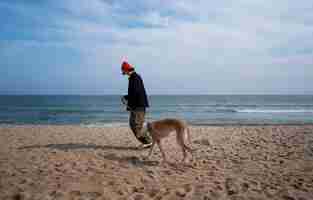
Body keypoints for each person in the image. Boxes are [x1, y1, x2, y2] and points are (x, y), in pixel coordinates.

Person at [121, 61, 152, 148]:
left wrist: (126, 98)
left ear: (126, 69)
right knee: (134, 124)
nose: (123, 73)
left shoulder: (135, 77)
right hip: (136, 105)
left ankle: (148, 141)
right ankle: (147, 141)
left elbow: (136, 92)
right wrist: (126, 98)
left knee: (135, 125)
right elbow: (135, 92)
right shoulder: (133, 77)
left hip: (138, 105)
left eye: (123, 71)